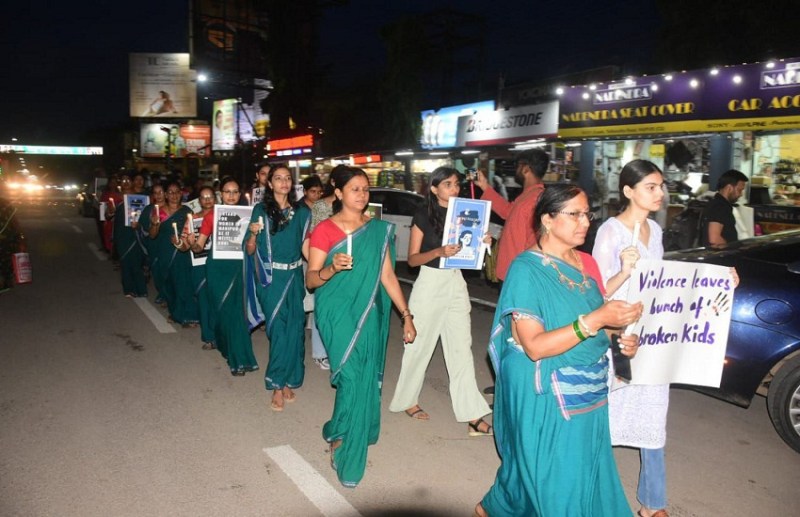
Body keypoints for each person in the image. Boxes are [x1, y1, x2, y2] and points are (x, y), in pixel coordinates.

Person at [474, 184, 644, 517]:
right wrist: (597, 319)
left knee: (579, 472)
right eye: (575, 214)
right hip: (547, 388)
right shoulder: (527, 269)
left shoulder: (585, 264)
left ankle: (495, 508)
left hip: (589, 389)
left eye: (587, 214)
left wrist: (621, 337)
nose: (585, 222)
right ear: (548, 220)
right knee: (553, 475)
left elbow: (598, 323)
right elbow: (535, 346)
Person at [306, 166, 417, 488]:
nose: (362, 194)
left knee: (359, 377)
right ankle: (348, 458)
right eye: (354, 189)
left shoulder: (378, 230)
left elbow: (387, 277)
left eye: (365, 189)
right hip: (337, 312)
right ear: (338, 193)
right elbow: (311, 279)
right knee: (351, 376)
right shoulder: (325, 230)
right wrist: (331, 268)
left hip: (371, 312)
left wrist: (407, 315)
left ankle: (341, 430)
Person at [388, 167, 492, 436]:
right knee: (419, 346)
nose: (454, 189)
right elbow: (412, 259)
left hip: (456, 282)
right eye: (447, 184)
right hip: (430, 281)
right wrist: (438, 251)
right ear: (434, 189)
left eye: (456, 184)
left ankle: (471, 414)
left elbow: (468, 252)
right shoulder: (423, 214)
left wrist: (483, 242)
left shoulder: (467, 212)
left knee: (461, 349)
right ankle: (407, 400)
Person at [593, 160, 670, 517]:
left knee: (654, 413)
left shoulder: (655, 230)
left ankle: (652, 503)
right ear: (628, 191)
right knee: (607, 413)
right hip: (618, 333)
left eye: (660, 186)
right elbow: (596, 292)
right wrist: (624, 271)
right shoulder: (610, 232)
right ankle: (592, 490)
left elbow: (664, 282)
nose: (660, 193)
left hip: (651, 335)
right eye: (651, 187)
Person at [244, 164, 311, 412]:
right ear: (269, 184)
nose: (283, 182)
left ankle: (288, 381)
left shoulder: (302, 213)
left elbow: (306, 248)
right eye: (278, 178)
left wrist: (320, 269)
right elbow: (250, 249)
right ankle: (276, 384)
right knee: (278, 332)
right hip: (270, 279)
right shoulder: (260, 211)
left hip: (294, 277)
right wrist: (252, 235)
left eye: (287, 178)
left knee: (295, 329)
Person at [186, 177, 258, 376]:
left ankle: (239, 359)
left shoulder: (249, 215)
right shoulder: (212, 216)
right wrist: (192, 243)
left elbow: (252, 251)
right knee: (222, 313)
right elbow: (199, 245)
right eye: (227, 191)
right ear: (221, 194)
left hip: (239, 268)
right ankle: (227, 348)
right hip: (217, 269)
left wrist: (253, 234)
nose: (232, 196)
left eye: (235, 192)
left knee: (237, 315)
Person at [474, 149, 548, 283]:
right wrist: (485, 187)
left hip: (520, 275)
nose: (516, 171)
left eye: (518, 166)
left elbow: (535, 241)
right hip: (513, 271)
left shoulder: (535, 199)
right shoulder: (528, 195)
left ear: (525, 169)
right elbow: (507, 211)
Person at [179, 186, 217, 350]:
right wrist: (181, 242)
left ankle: (223, 334)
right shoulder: (192, 219)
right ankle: (209, 337)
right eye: (203, 197)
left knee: (219, 300)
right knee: (204, 301)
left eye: (210, 196)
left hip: (220, 265)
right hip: (200, 265)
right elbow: (185, 245)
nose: (207, 199)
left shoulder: (224, 215)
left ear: (216, 198)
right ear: (198, 201)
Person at [114, 173, 148, 298]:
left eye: (128, 179)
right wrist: (109, 212)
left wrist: (139, 225)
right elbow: (109, 215)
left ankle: (141, 289)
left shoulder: (138, 197)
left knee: (136, 262)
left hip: (135, 234)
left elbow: (144, 216)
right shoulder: (116, 198)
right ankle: (129, 289)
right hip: (121, 234)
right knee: (125, 262)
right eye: (123, 180)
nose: (126, 182)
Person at [700, 169, 749, 247]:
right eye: (739, 190)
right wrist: (730, 250)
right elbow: (714, 239)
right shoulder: (719, 206)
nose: (741, 194)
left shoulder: (719, 204)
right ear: (729, 188)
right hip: (719, 257)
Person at [138, 183, 167, 304]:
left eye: (161, 192)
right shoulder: (149, 209)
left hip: (168, 244)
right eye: (155, 193)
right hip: (154, 243)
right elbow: (143, 227)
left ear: (165, 193)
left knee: (168, 270)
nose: (158, 195)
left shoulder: (171, 208)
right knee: (157, 270)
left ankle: (170, 295)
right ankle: (162, 294)